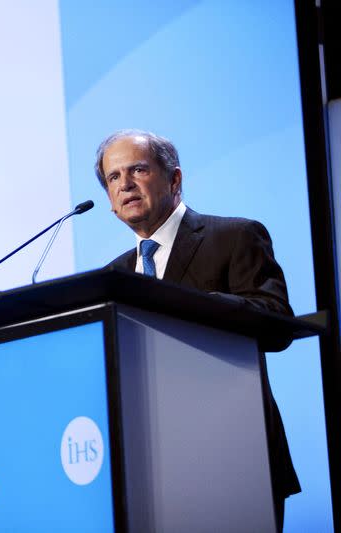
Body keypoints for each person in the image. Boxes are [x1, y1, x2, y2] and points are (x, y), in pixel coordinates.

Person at [96, 129, 299, 530]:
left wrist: (188, 307)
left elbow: (276, 322)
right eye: (114, 178)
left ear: (174, 179)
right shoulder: (113, 276)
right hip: (147, 465)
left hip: (236, 458)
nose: (126, 184)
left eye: (138, 169)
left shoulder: (234, 236)